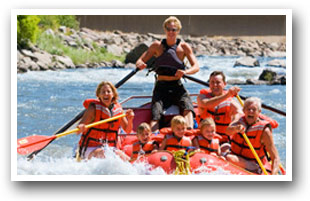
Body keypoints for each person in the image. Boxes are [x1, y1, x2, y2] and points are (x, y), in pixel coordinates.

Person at [136, 16, 199, 131]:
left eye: (174, 30)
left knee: (188, 108)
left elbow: (196, 67)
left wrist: (185, 72)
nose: (171, 32)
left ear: (178, 31)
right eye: (168, 29)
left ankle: (189, 133)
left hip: (177, 86)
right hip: (161, 87)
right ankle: (153, 139)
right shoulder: (156, 46)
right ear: (165, 30)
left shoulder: (184, 47)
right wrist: (140, 64)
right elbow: (140, 60)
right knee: (156, 114)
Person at [76, 81, 134, 160]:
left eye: (108, 91)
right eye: (103, 92)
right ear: (98, 95)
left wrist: (130, 119)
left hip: (108, 148)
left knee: (127, 159)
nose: (106, 94)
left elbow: (127, 130)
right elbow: (80, 127)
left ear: (113, 94)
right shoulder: (93, 108)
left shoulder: (118, 110)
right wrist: (81, 127)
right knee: (104, 154)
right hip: (89, 148)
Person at [225, 97, 280, 175]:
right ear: (244, 110)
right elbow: (227, 132)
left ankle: (256, 169)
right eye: (248, 109)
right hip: (237, 157)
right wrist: (236, 129)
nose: (251, 111)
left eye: (254, 109)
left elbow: (275, 158)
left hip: (253, 164)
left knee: (229, 158)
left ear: (259, 112)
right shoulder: (239, 121)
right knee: (223, 148)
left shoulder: (265, 131)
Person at [197, 71, 243, 152]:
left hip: (222, 141)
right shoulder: (202, 97)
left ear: (224, 84)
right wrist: (228, 94)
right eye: (212, 82)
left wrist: (234, 125)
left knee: (226, 150)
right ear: (209, 84)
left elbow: (239, 113)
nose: (215, 85)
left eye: (218, 82)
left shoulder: (231, 103)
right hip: (202, 138)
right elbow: (207, 104)